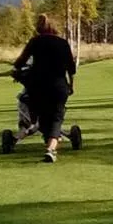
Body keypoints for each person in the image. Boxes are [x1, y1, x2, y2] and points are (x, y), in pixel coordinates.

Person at [13, 14, 76, 163]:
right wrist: (71, 86)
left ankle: (28, 133)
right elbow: (71, 68)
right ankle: (50, 149)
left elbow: (20, 62)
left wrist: (19, 72)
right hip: (58, 86)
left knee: (39, 112)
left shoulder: (35, 42)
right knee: (56, 117)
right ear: (54, 28)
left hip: (37, 86)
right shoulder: (62, 43)